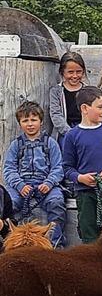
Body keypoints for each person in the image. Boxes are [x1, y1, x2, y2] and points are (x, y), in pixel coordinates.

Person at [62, 86, 102, 244]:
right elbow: (67, 167)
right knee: (89, 236)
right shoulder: (72, 135)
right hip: (86, 195)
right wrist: (80, 178)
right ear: (84, 108)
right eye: (100, 107)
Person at [3, 101, 66, 248]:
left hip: (45, 185)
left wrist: (49, 183)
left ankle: (55, 243)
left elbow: (58, 168)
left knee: (56, 203)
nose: (30, 124)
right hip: (21, 185)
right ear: (20, 124)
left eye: (33, 120)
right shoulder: (16, 145)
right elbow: (9, 169)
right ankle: (10, 241)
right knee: (9, 203)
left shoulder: (50, 143)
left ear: (41, 121)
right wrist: (20, 185)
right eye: (25, 121)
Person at [49, 51, 86, 147]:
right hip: (64, 131)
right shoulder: (56, 91)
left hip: (85, 128)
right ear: (62, 72)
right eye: (70, 72)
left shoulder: (88, 91)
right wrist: (70, 132)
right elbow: (56, 114)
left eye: (78, 72)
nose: (74, 76)